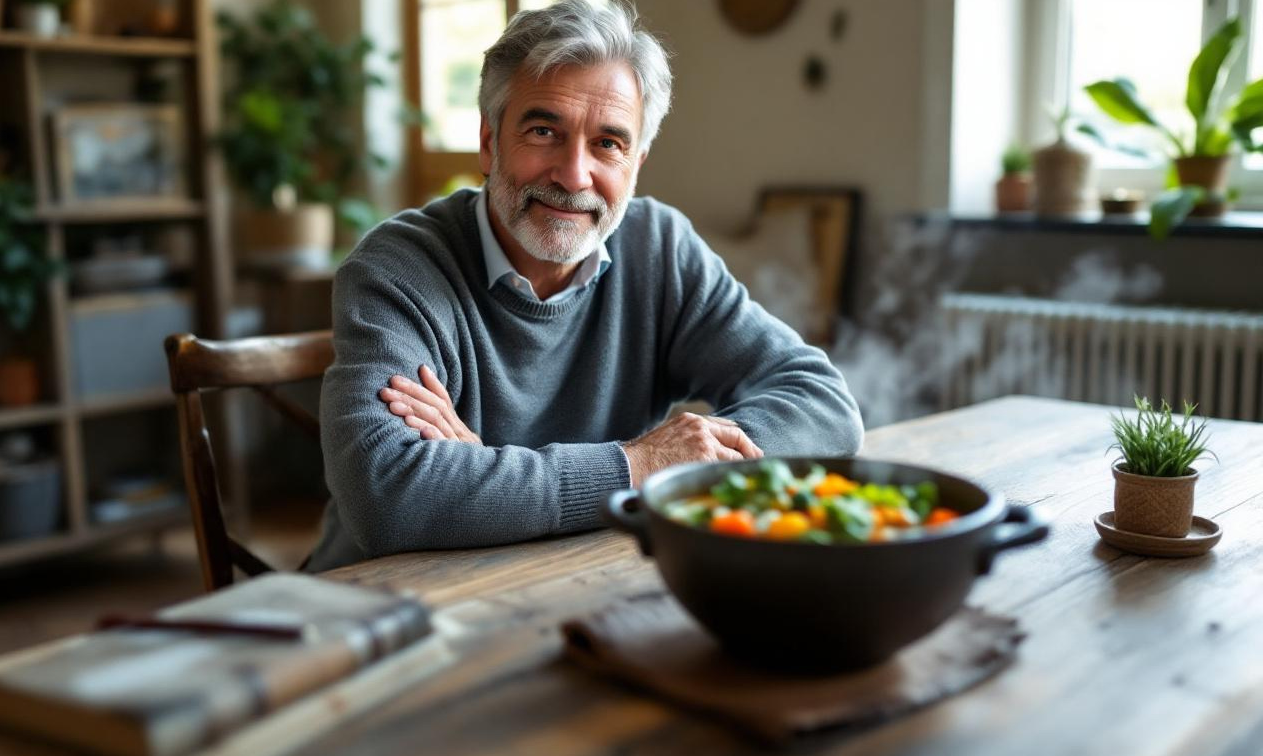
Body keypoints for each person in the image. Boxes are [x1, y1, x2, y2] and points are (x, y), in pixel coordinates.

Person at [306, 0, 862, 570]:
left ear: (636, 164)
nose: (574, 175)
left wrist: (487, 475)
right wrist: (637, 467)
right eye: (544, 131)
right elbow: (388, 499)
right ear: (490, 142)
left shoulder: (659, 248)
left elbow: (825, 406)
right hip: (385, 598)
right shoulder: (398, 268)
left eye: (608, 143)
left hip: (572, 579)